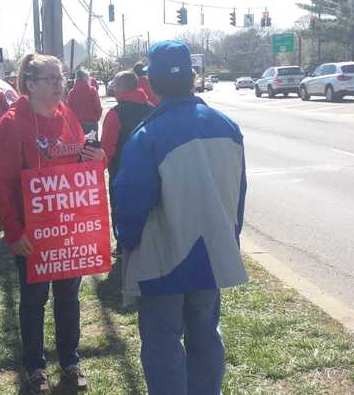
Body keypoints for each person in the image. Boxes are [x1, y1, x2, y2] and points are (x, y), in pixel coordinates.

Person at [113, 40, 248, 395]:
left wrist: (126, 244)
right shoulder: (228, 127)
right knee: (206, 335)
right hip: (211, 257)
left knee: (163, 345)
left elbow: (129, 207)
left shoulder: (147, 136)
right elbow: (238, 198)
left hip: (161, 260)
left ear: (151, 85)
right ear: (192, 77)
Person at [0, 53, 105, 394]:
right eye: (51, 79)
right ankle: (35, 366)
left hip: (69, 231)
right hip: (32, 233)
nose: (59, 85)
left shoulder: (67, 115)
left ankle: (70, 359)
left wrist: (98, 158)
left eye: (61, 78)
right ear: (30, 84)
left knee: (68, 298)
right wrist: (13, 229)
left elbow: (86, 167)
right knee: (33, 300)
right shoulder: (12, 123)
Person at [100, 70, 154, 258]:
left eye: (114, 84)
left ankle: (123, 248)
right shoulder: (152, 109)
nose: (112, 88)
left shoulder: (115, 114)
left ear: (122, 87)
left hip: (122, 175)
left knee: (121, 211)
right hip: (152, 174)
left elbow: (107, 149)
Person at [67, 68, 102, 135]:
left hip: (76, 124)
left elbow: (69, 110)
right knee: (91, 144)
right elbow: (98, 107)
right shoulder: (92, 91)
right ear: (85, 77)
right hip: (91, 122)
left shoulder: (72, 92)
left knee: (78, 145)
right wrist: (97, 117)